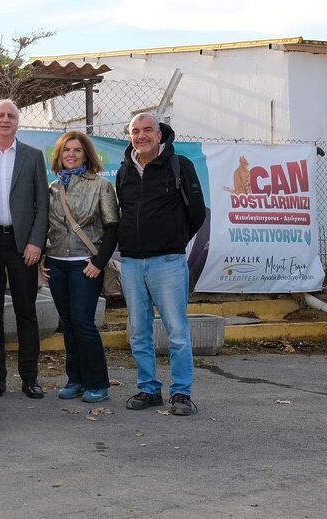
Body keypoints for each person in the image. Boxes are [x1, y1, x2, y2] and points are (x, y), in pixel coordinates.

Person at [116, 113, 206, 416]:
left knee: (177, 331)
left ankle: (181, 393)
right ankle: (148, 389)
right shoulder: (124, 170)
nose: (141, 136)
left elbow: (196, 213)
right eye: (135, 131)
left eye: (147, 130)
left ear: (159, 134)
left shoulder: (180, 166)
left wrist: (173, 239)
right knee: (139, 331)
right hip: (131, 263)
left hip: (168, 261)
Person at [0, 99, 49, 399]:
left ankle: (30, 378)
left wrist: (36, 242)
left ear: (18, 122)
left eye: (11, 116)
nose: (5, 120)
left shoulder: (32, 157)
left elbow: (42, 204)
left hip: (22, 245)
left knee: (26, 312)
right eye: (0, 115)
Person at [41, 131, 118, 403]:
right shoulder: (52, 189)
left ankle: (98, 383)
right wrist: (41, 261)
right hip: (56, 263)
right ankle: (75, 379)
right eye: (66, 150)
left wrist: (99, 262)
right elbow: (44, 227)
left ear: (87, 154)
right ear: (59, 155)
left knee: (84, 324)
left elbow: (112, 228)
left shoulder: (101, 185)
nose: (71, 155)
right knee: (69, 325)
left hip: (86, 264)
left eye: (76, 150)